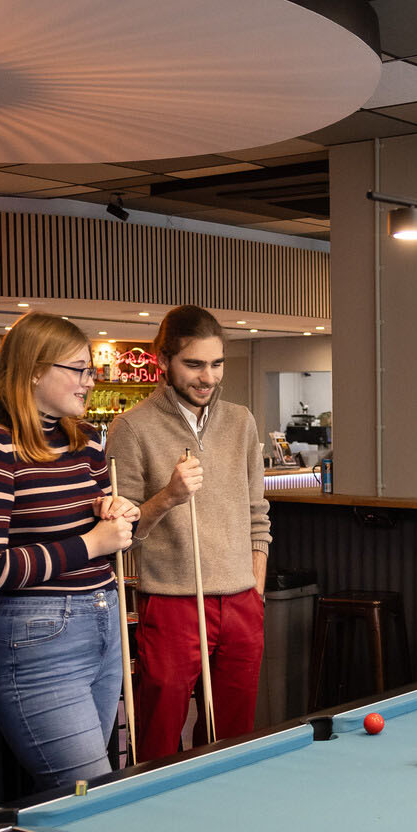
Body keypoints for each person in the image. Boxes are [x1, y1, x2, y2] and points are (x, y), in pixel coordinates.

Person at [0, 313, 138, 787]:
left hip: (104, 621)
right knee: (89, 798)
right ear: (34, 370)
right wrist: (91, 542)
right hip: (39, 639)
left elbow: (109, 528)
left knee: (87, 797)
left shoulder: (85, 441)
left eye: (91, 370)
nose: (89, 382)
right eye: (77, 369)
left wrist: (116, 512)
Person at [107, 306, 269, 758]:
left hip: (241, 602)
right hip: (172, 601)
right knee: (158, 736)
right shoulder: (131, 427)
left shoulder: (241, 421)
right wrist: (169, 496)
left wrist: (255, 586)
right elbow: (122, 530)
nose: (208, 377)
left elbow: (259, 513)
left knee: (233, 738)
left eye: (216, 364)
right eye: (194, 364)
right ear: (163, 362)